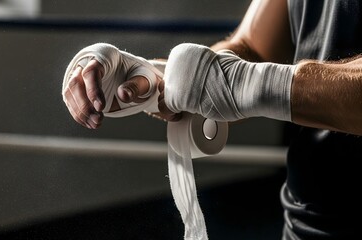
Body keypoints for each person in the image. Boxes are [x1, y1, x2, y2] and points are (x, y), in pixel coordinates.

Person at [62, 0, 362, 239]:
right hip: (304, 218)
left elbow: (245, 79)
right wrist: (164, 78)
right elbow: (252, 48)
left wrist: (243, 84)